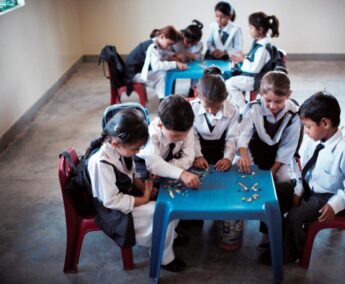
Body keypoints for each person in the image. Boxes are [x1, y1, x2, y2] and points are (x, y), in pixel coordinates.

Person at [264, 91, 345, 264]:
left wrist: (335, 205)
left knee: (295, 216)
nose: (306, 131)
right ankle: (273, 238)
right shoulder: (313, 142)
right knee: (273, 194)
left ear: (325, 123)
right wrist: (298, 191)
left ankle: (289, 253)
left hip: (326, 197)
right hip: (309, 188)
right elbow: (303, 172)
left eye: (308, 127)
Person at [87, 109, 186, 272]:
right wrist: (145, 198)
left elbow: (131, 175)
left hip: (125, 195)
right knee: (162, 211)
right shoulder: (100, 163)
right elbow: (111, 201)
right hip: (112, 211)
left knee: (168, 199)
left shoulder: (120, 148)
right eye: (135, 149)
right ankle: (164, 257)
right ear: (115, 143)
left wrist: (144, 187)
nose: (138, 153)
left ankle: (169, 236)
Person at [137, 95, 201, 188]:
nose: (183, 138)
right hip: (142, 171)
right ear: (160, 125)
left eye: (186, 134)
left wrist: (165, 170)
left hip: (163, 171)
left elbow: (189, 158)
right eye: (175, 135)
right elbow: (154, 165)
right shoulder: (151, 135)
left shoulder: (185, 127)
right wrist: (182, 174)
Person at [226, 12, 280, 111]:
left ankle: (243, 109)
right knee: (228, 75)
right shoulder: (259, 42)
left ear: (260, 30)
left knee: (229, 83)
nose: (249, 30)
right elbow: (253, 59)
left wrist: (243, 59)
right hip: (252, 77)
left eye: (251, 27)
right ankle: (238, 105)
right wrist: (242, 59)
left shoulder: (263, 47)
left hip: (256, 79)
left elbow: (255, 69)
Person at [191, 66, 239, 171]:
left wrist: (227, 158)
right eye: (206, 107)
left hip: (221, 154)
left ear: (225, 98)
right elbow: (192, 136)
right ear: (197, 95)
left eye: (218, 107)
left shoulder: (233, 109)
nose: (212, 111)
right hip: (196, 153)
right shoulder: (191, 108)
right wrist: (198, 156)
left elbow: (232, 137)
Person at [125, 26, 187, 100]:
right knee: (163, 74)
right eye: (169, 44)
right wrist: (175, 64)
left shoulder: (154, 43)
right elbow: (157, 65)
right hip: (133, 75)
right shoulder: (152, 46)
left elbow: (157, 59)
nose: (168, 47)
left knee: (166, 72)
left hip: (136, 71)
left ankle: (167, 96)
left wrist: (170, 58)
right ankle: (164, 100)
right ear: (162, 36)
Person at [161, 20, 204, 97]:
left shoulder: (199, 45)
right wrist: (175, 56)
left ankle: (193, 91)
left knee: (197, 75)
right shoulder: (175, 40)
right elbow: (166, 52)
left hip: (191, 64)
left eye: (193, 43)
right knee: (170, 74)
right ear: (183, 35)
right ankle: (170, 93)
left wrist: (194, 56)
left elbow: (200, 57)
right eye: (188, 41)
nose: (189, 45)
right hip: (175, 63)